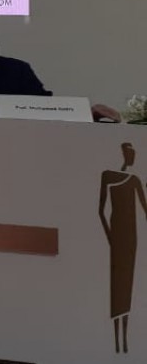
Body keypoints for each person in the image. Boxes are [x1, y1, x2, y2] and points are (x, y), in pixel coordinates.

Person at [100, 142, 147, 354]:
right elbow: (101, 211)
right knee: (117, 284)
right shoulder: (107, 176)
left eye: (133, 154)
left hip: (130, 239)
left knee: (126, 284)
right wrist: (110, 237)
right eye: (130, 154)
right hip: (118, 237)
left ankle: (124, 341)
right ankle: (116, 342)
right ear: (124, 154)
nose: (132, 157)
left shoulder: (135, 180)